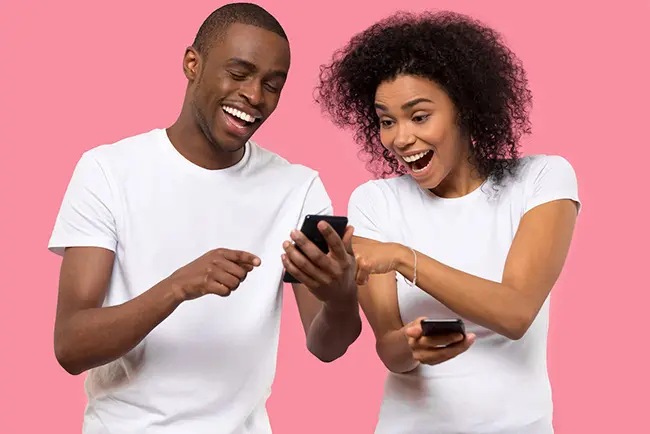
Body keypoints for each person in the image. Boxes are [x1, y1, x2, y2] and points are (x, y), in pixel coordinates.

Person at [48, 3, 362, 433]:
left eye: (272, 84)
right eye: (238, 74)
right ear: (192, 64)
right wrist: (179, 286)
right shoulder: (108, 171)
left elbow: (326, 346)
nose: (255, 96)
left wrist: (342, 297)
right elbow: (71, 345)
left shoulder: (298, 189)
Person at [316, 10, 580, 434]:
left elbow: (515, 313)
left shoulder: (541, 180)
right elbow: (390, 353)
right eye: (387, 121)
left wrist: (404, 258)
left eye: (419, 116)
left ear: (466, 109)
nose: (400, 139)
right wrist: (410, 345)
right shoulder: (376, 202)